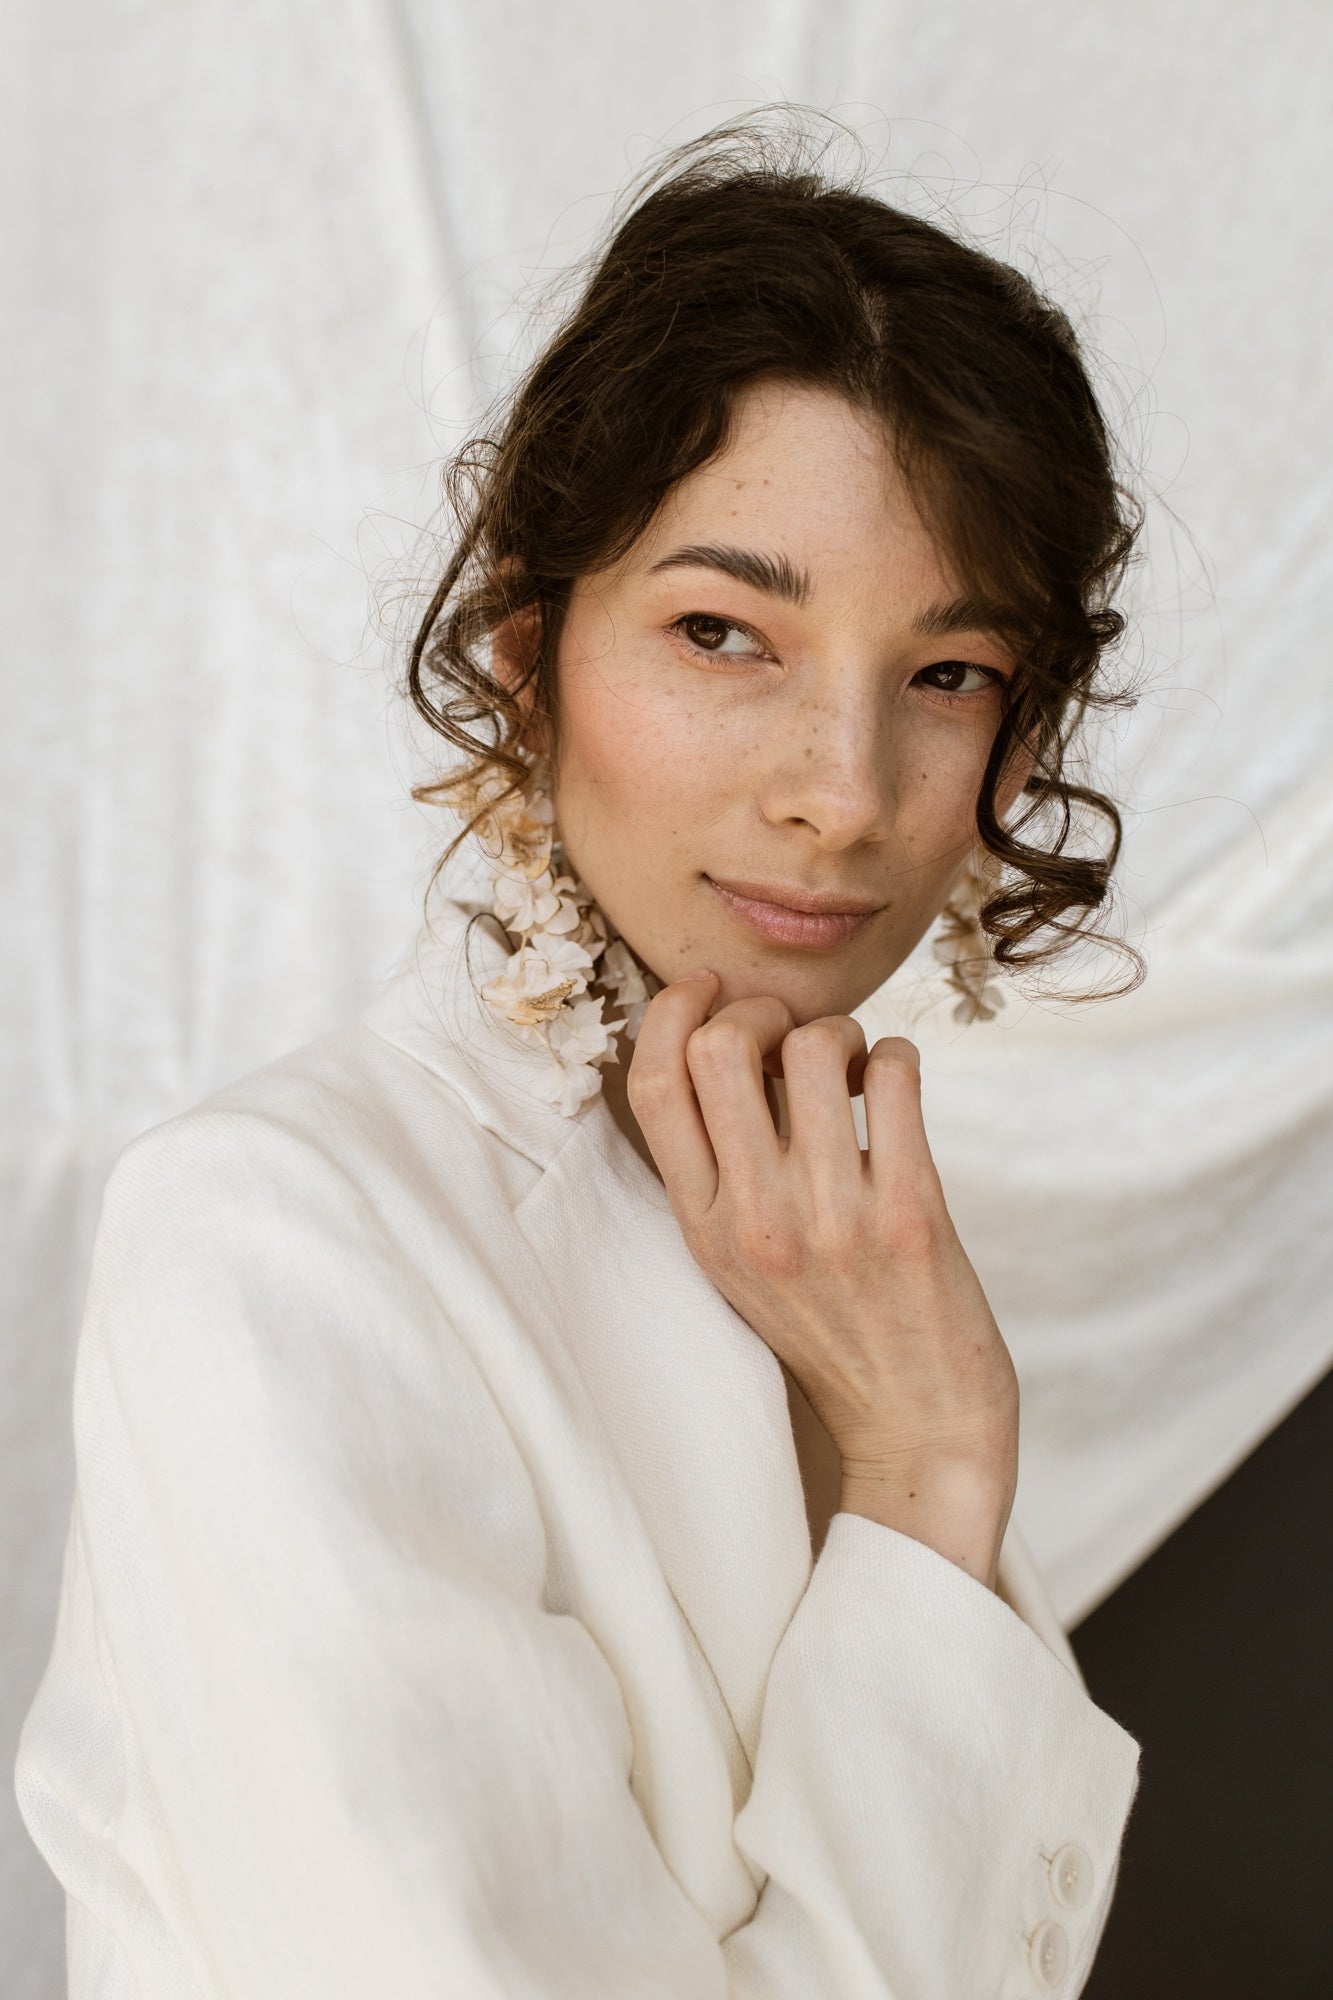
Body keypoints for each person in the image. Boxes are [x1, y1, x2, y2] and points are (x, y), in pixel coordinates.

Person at [15, 118, 1147, 1998]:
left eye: (946, 674)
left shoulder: (823, 1241)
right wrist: (934, 1465)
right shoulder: (275, 1242)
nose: (842, 796)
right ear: (532, 655)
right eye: (724, 632)